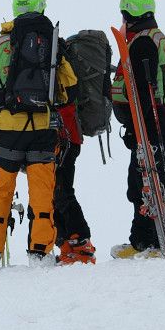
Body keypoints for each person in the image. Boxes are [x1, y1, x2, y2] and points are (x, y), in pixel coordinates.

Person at [0, 0, 78, 268]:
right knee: (43, 192)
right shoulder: (54, 44)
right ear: (42, 7)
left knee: (0, 191)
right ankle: (40, 253)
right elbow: (68, 89)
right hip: (43, 129)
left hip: (8, 129)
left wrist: (5, 100)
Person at [111, 0, 165, 257]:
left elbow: (142, 88)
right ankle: (142, 239)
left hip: (150, 120)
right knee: (138, 181)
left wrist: (134, 121)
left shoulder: (143, 42)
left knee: (156, 180)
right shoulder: (153, 37)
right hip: (148, 120)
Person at [53, 84, 96, 265]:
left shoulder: (59, 63)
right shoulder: (56, 62)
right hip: (62, 133)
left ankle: (80, 243)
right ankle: (67, 244)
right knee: (53, 192)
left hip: (64, 134)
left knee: (61, 191)